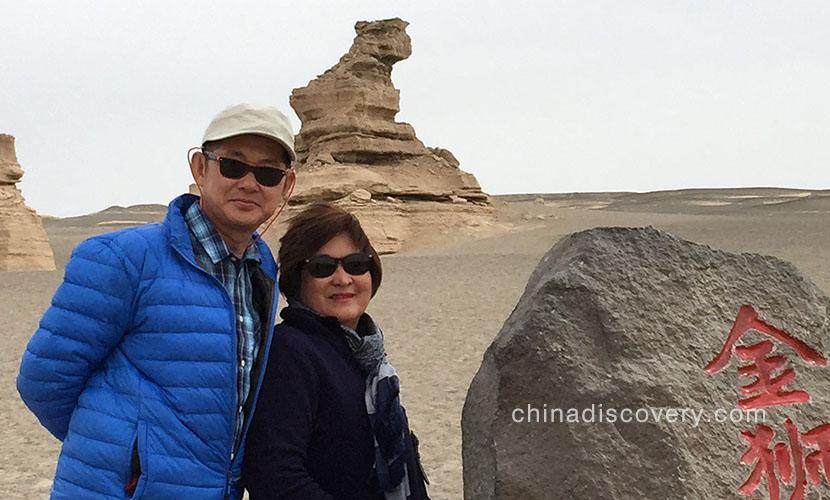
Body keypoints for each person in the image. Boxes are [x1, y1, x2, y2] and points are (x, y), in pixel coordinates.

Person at [16, 102, 296, 499]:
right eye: (233, 165)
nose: (250, 183)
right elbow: (44, 380)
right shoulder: (122, 257)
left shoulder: (261, 267)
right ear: (200, 168)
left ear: (286, 186)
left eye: (268, 173)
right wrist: (127, 456)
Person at [243, 203, 430, 500]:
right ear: (296, 279)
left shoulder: (365, 356)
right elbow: (274, 475)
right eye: (322, 267)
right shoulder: (291, 351)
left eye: (356, 264)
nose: (343, 279)